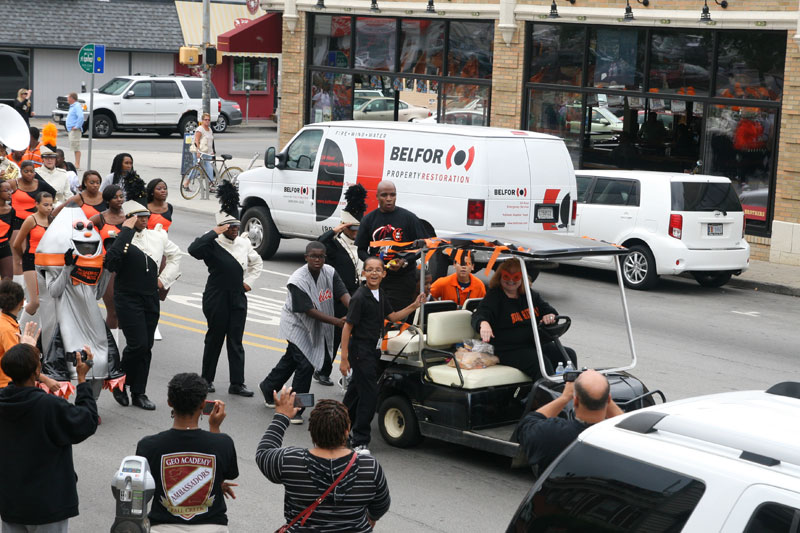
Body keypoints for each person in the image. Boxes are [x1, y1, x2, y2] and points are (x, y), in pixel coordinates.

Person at [256, 389, 390, 532]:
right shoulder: (369, 466)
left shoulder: (290, 461)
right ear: (347, 431)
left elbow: (263, 453)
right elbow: (381, 504)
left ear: (311, 431)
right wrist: (371, 518)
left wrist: (282, 416)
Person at [0, 342, 97, 532]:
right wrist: (82, 379)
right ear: (37, 370)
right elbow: (86, 422)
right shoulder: (49, 405)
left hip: (11, 501)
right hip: (48, 504)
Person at [37, 206, 125, 400]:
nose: (86, 249)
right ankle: (59, 404)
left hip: (92, 323)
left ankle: (88, 403)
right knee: (60, 366)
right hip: (65, 323)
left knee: (99, 362)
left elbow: (97, 294)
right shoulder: (56, 266)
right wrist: (67, 268)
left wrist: (108, 271)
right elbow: (54, 291)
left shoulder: (94, 267)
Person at [259, 241, 351, 425]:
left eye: (321, 256)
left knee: (292, 359)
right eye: (313, 256)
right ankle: (296, 408)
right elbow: (308, 310)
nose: (317, 260)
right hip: (296, 325)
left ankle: (269, 387)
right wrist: (337, 322)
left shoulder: (330, 272)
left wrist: (355, 310)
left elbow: (343, 294)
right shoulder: (297, 280)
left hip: (315, 324)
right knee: (306, 363)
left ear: (325, 257)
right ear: (306, 257)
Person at [340, 256, 423, 454]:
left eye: (378, 270)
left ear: (384, 273)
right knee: (369, 395)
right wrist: (344, 358)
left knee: (354, 394)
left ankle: (336, 428)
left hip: (374, 350)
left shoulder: (380, 294)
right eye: (370, 269)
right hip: (361, 351)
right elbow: (347, 327)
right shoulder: (360, 297)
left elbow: (392, 317)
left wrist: (414, 305)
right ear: (364, 273)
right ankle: (360, 439)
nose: (374, 273)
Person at [136, 373, 238, 533]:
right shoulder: (223, 442)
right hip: (212, 527)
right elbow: (225, 472)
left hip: (162, 527)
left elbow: (142, 487)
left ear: (170, 403)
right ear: (203, 404)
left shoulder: (148, 446)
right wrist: (215, 428)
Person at [105, 200, 181, 411]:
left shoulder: (158, 236)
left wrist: (163, 280)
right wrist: (126, 231)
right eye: (139, 217)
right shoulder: (118, 238)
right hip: (127, 296)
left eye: (146, 216)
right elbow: (111, 262)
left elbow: (176, 256)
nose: (144, 220)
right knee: (137, 344)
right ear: (129, 218)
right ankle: (119, 382)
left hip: (149, 297)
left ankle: (139, 392)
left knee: (146, 346)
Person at [188, 182, 262, 397]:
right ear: (222, 227)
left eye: (237, 227)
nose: (235, 230)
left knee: (236, 341)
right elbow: (193, 250)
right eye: (230, 227)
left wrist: (249, 282)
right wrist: (214, 231)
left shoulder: (243, 243)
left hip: (238, 296)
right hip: (216, 296)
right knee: (214, 338)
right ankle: (206, 379)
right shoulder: (212, 244)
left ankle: (237, 383)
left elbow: (257, 264)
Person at [471, 259, 576, 380]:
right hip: (507, 349)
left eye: (516, 277)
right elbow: (479, 314)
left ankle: (573, 391)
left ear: (522, 278)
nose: (510, 281)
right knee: (541, 363)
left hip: (532, 343)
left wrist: (549, 316)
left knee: (568, 354)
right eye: (506, 276)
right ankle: (549, 397)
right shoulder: (494, 296)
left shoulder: (529, 295)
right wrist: (483, 324)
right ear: (499, 277)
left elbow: (548, 310)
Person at [516, 370, 623, 473]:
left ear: (575, 401)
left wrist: (564, 397)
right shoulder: (620, 439)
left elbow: (526, 425)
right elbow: (629, 427)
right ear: (608, 400)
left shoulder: (552, 433)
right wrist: (602, 395)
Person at [314, 183, 367, 387]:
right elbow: (318, 245)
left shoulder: (363, 244)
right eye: (352, 228)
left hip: (357, 294)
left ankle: (351, 375)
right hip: (337, 296)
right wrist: (334, 231)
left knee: (355, 338)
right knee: (334, 336)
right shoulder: (334, 245)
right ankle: (323, 371)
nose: (356, 232)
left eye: (359, 228)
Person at [355, 180, 428, 312]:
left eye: (392, 195)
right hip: (377, 278)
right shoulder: (368, 219)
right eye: (384, 195)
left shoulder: (409, 218)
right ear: (377, 196)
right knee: (375, 316)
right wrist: (375, 265)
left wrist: (405, 261)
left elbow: (423, 247)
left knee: (396, 319)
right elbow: (361, 250)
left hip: (403, 279)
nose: (389, 199)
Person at [0, 281, 57, 391]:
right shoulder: (8, 330)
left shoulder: (5, 323)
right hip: (5, 385)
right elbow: (18, 363)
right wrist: (46, 380)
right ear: (22, 302)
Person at [12, 191, 53, 323]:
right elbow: (17, 243)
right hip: (31, 260)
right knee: (34, 301)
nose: (49, 208)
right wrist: (23, 257)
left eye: (51, 205)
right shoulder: (31, 219)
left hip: (47, 262)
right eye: (45, 204)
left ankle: (41, 333)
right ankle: (18, 328)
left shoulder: (52, 220)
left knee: (46, 300)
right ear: (36, 204)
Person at [90, 185, 125, 332]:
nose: (119, 200)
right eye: (115, 197)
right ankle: (112, 350)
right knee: (114, 311)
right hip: (108, 269)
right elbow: (82, 236)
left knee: (124, 310)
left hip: (127, 267)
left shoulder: (129, 217)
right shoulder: (99, 218)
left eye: (121, 196)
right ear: (107, 200)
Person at [193, 112, 215, 188]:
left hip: (208, 153)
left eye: (208, 120)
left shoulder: (210, 129)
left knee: (209, 168)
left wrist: (212, 152)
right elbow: (196, 140)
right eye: (205, 119)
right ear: (202, 120)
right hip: (200, 152)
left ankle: (210, 184)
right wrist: (198, 151)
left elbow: (210, 141)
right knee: (196, 169)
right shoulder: (200, 129)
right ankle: (186, 182)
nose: (207, 121)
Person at [0, 181, 16, 280]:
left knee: (8, 279)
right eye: (6, 190)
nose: (10, 193)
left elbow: (10, 231)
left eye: (10, 190)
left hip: (4, 246)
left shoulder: (11, 210)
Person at [66, 92, 84, 169]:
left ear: (72, 98)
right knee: (74, 147)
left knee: (76, 147)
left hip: (75, 130)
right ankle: (76, 163)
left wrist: (77, 126)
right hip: (71, 129)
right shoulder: (72, 106)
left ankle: (77, 164)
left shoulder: (77, 106)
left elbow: (81, 117)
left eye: (68, 97)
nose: (67, 99)